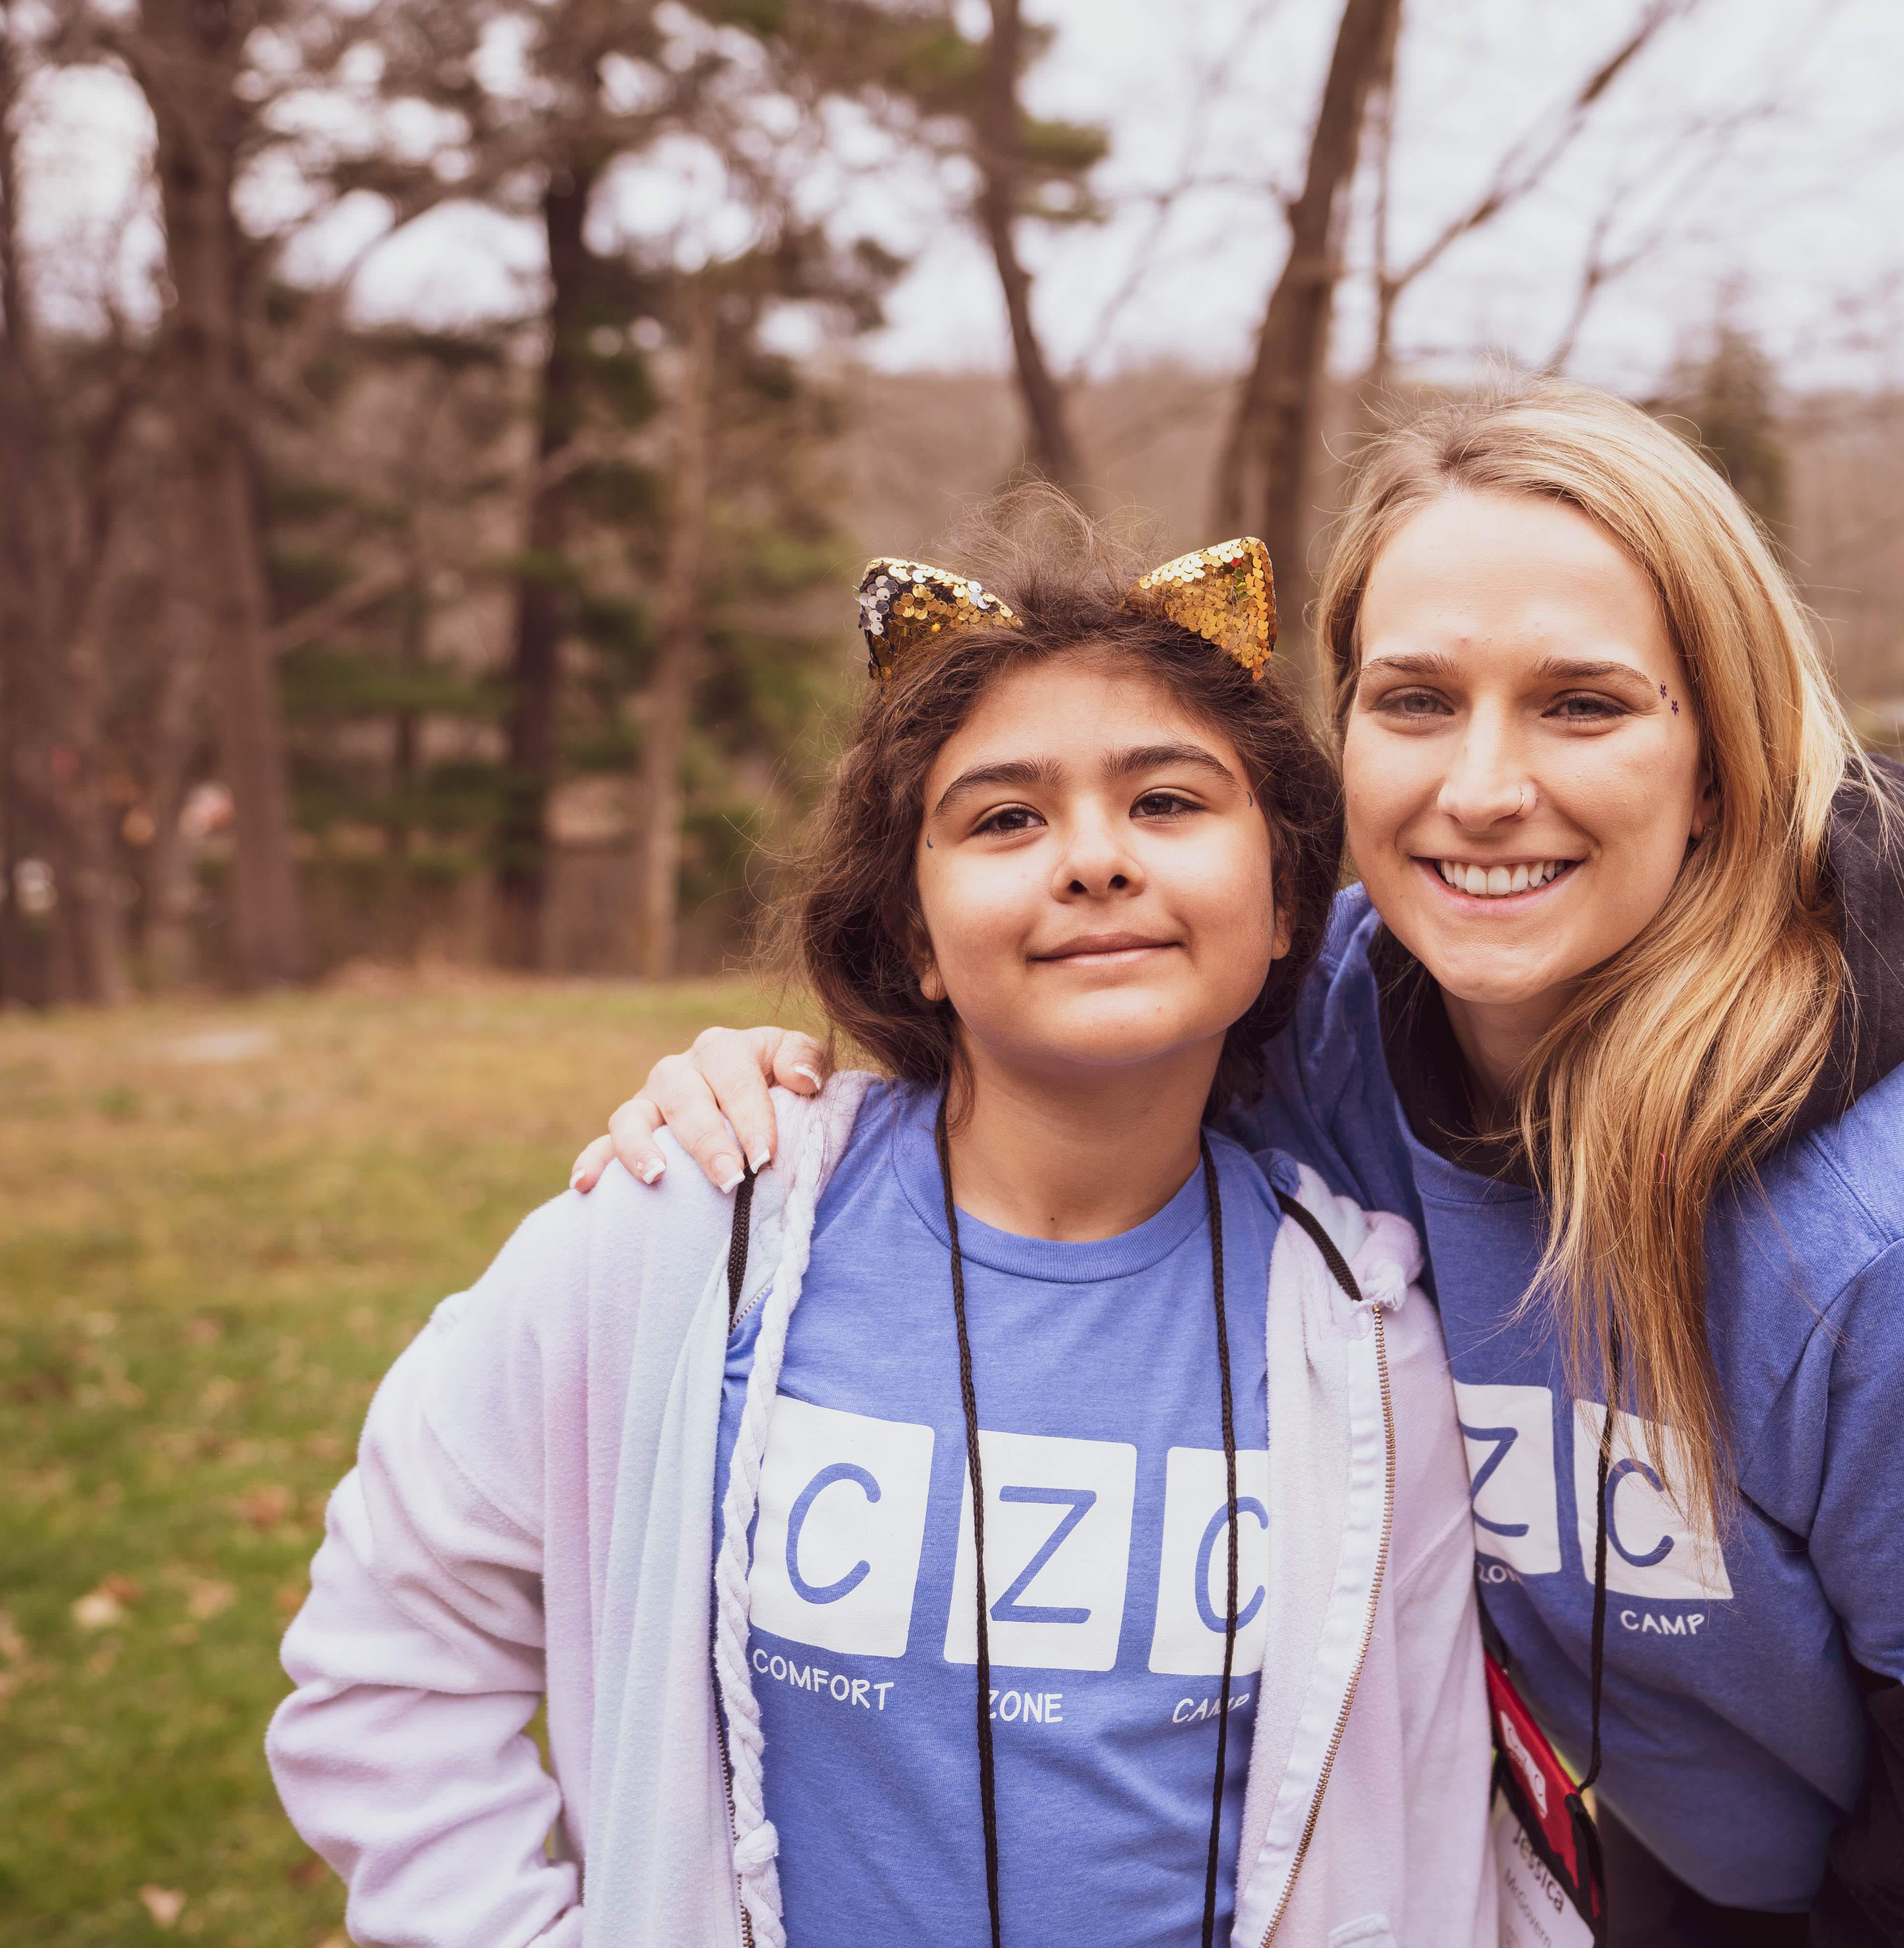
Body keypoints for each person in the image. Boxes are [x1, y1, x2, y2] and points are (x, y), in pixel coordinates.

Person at [578, 381, 1904, 1948]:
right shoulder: (1303, 1027)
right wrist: (805, 1097)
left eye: (1583, 705)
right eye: (1415, 701)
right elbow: (1048, 1045)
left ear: (1719, 764)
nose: (1482, 788)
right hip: (1702, 1832)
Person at [271, 526, 1500, 1948]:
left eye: (1167, 802)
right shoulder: (686, 1228)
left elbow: (1419, 1849)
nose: (1094, 861)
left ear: (1287, 898)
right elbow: (390, 1659)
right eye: (1003, 820)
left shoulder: (1362, 1333)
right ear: (913, 931)